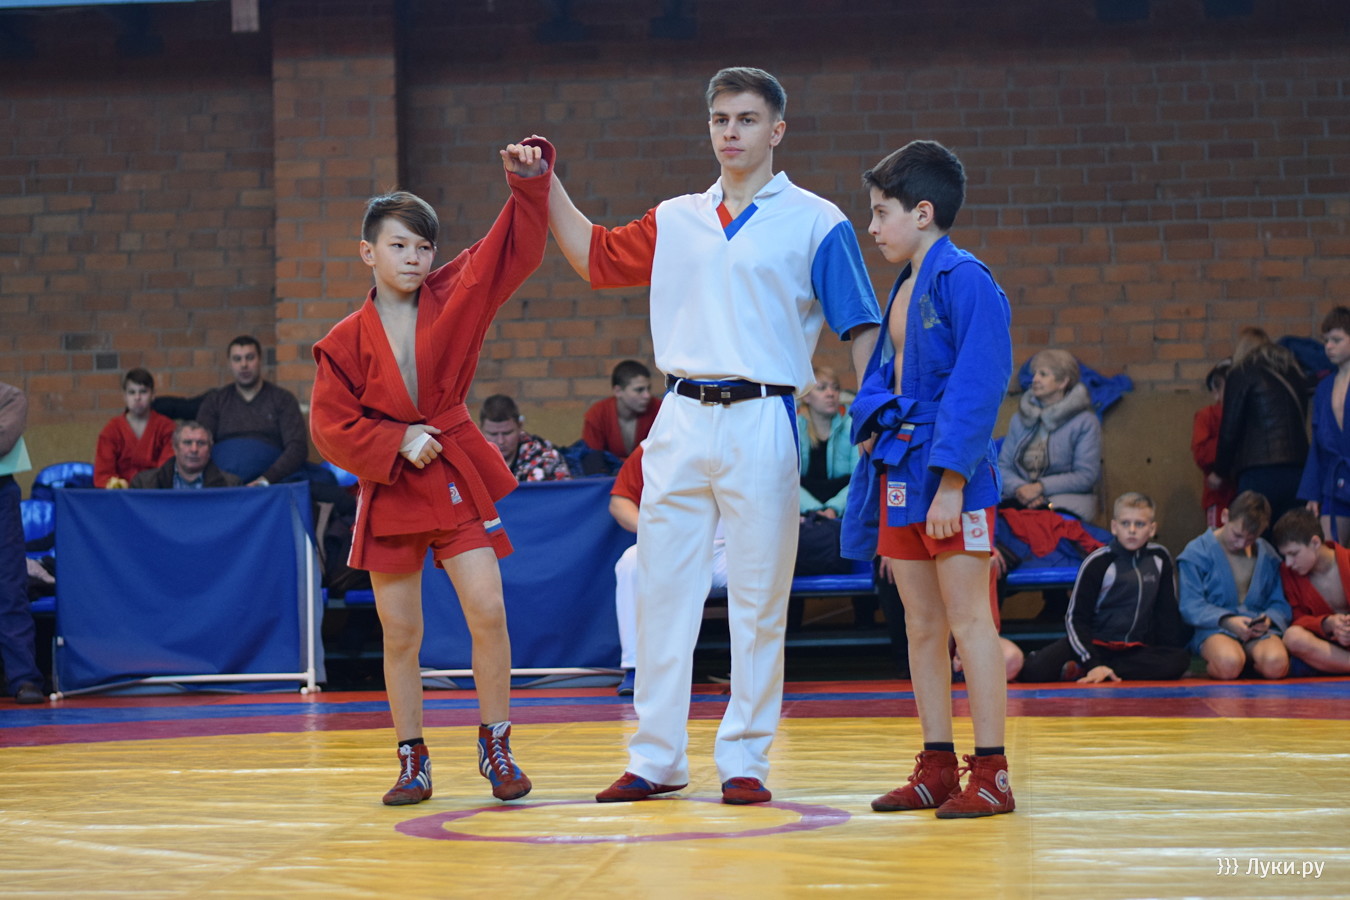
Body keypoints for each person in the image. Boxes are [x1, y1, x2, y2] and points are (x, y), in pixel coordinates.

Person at [548, 67, 881, 806]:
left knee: (759, 597)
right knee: (661, 588)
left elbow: (860, 324)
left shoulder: (817, 220)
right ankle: (657, 757)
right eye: (720, 119)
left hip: (765, 413)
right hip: (679, 414)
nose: (731, 132)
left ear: (777, 130)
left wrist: (876, 415)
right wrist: (544, 186)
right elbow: (594, 257)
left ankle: (745, 760)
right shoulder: (676, 217)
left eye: (747, 119)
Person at [309, 138, 553, 806]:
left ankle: (496, 744)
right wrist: (394, 440)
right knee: (402, 633)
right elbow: (328, 427)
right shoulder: (342, 342)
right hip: (392, 486)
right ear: (368, 252)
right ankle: (412, 759)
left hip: (452, 472)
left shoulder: (456, 292)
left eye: (423, 247)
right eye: (398, 246)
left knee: (489, 609)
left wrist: (527, 183)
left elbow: (513, 250)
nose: (414, 258)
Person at [843, 140, 1015, 819]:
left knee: (970, 619)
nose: (872, 227)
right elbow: (882, 379)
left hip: (950, 472)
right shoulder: (906, 283)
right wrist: (870, 421)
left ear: (922, 212)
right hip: (901, 468)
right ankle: (938, 767)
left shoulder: (965, 278)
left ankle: (992, 773)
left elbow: (979, 383)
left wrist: (950, 482)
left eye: (881, 213)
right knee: (920, 623)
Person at [1019, 492, 1192, 685]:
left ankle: (1095, 669)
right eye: (1125, 524)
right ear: (1114, 527)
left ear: (1152, 529)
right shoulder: (1098, 561)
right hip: (1093, 643)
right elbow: (1076, 619)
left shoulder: (1160, 558)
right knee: (1034, 671)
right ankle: (1092, 666)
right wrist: (1091, 660)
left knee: (1178, 661)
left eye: (1140, 524)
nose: (1132, 530)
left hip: (1133, 649)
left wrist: (1168, 653)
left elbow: (1166, 613)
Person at [609, 444, 727, 696]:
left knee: (758, 570)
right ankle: (636, 668)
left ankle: (751, 668)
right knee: (631, 562)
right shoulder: (652, 447)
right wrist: (652, 530)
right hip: (672, 544)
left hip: (728, 547)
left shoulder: (739, 442)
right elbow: (620, 502)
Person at [1177, 490, 1290, 680]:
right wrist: (1227, 620)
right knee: (1228, 664)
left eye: (1250, 539)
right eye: (1237, 535)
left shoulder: (1267, 554)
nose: (1241, 543)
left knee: (1276, 664)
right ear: (1225, 516)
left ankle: (1248, 663)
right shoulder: (1197, 552)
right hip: (1215, 627)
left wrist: (1268, 620)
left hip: (1255, 628)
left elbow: (1279, 602)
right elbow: (1190, 605)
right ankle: (1222, 664)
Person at [1216, 326, 1309, 531]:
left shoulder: (1241, 372)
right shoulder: (1294, 373)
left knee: (1254, 535)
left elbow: (1230, 429)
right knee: (1292, 536)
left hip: (1259, 470)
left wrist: (1220, 470)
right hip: (1298, 469)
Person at [997, 348, 1102, 521]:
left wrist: (1040, 488)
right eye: (1035, 374)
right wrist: (1020, 488)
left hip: (1067, 500)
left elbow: (1086, 476)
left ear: (1063, 382)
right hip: (1020, 497)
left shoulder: (1085, 422)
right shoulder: (1019, 419)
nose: (1035, 379)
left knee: (1042, 523)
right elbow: (1003, 466)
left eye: (1043, 374)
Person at [196, 335, 309, 487]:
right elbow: (200, 444)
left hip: (273, 484)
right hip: (223, 484)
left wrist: (265, 480)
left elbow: (297, 447)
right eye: (237, 359)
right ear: (230, 363)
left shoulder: (283, 399)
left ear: (260, 360)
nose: (244, 365)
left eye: (250, 358)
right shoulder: (215, 401)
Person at [0, 382, 43, 704]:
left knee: (9, 587)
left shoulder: (9, 396)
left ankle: (23, 677)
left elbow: (4, 439)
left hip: (0, 493)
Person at [1272, 508, 1350, 675]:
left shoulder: (1347, 560)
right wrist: (1328, 623)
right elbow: (1296, 618)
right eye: (1285, 556)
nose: (1289, 563)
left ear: (1315, 543)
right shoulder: (1288, 573)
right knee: (1292, 637)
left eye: (1293, 553)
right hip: (1327, 647)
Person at [1299, 306, 1350, 544]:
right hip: (1334, 483)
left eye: (1336, 340)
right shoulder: (1324, 387)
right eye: (1326, 340)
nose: (1329, 346)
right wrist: (1313, 492)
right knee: (1330, 551)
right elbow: (1317, 444)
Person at [94, 368, 176, 489]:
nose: (137, 397)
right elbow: (103, 474)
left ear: (153, 395)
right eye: (132, 392)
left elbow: (167, 471)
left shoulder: (167, 427)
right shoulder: (111, 430)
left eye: (143, 392)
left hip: (155, 493)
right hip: (120, 495)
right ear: (125, 396)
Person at [798, 365, 856, 519]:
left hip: (843, 511)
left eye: (835, 388)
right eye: (822, 388)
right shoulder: (795, 427)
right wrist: (814, 510)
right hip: (804, 512)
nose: (830, 394)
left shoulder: (853, 426)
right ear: (806, 397)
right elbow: (786, 480)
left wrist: (833, 508)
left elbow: (860, 477)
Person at [478, 394, 571, 483]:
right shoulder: (472, 460)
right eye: (493, 434)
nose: (501, 441)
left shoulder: (547, 457)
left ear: (520, 426)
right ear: (480, 429)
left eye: (507, 433)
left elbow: (567, 492)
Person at [582, 360, 661, 459]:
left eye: (648, 388)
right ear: (618, 391)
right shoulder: (598, 414)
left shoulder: (659, 409)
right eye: (639, 390)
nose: (647, 395)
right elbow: (592, 459)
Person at [130, 421, 242, 489]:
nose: (194, 449)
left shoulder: (232, 485)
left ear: (210, 449)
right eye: (187, 443)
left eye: (201, 443)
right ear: (175, 448)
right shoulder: (143, 484)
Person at [1191, 360, 1236, 528]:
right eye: (1230, 389)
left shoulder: (1249, 416)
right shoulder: (1207, 415)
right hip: (1219, 495)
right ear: (1216, 392)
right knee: (1217, 539)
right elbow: (1201, 454)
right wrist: (1230, 436)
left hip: (1244, 491)